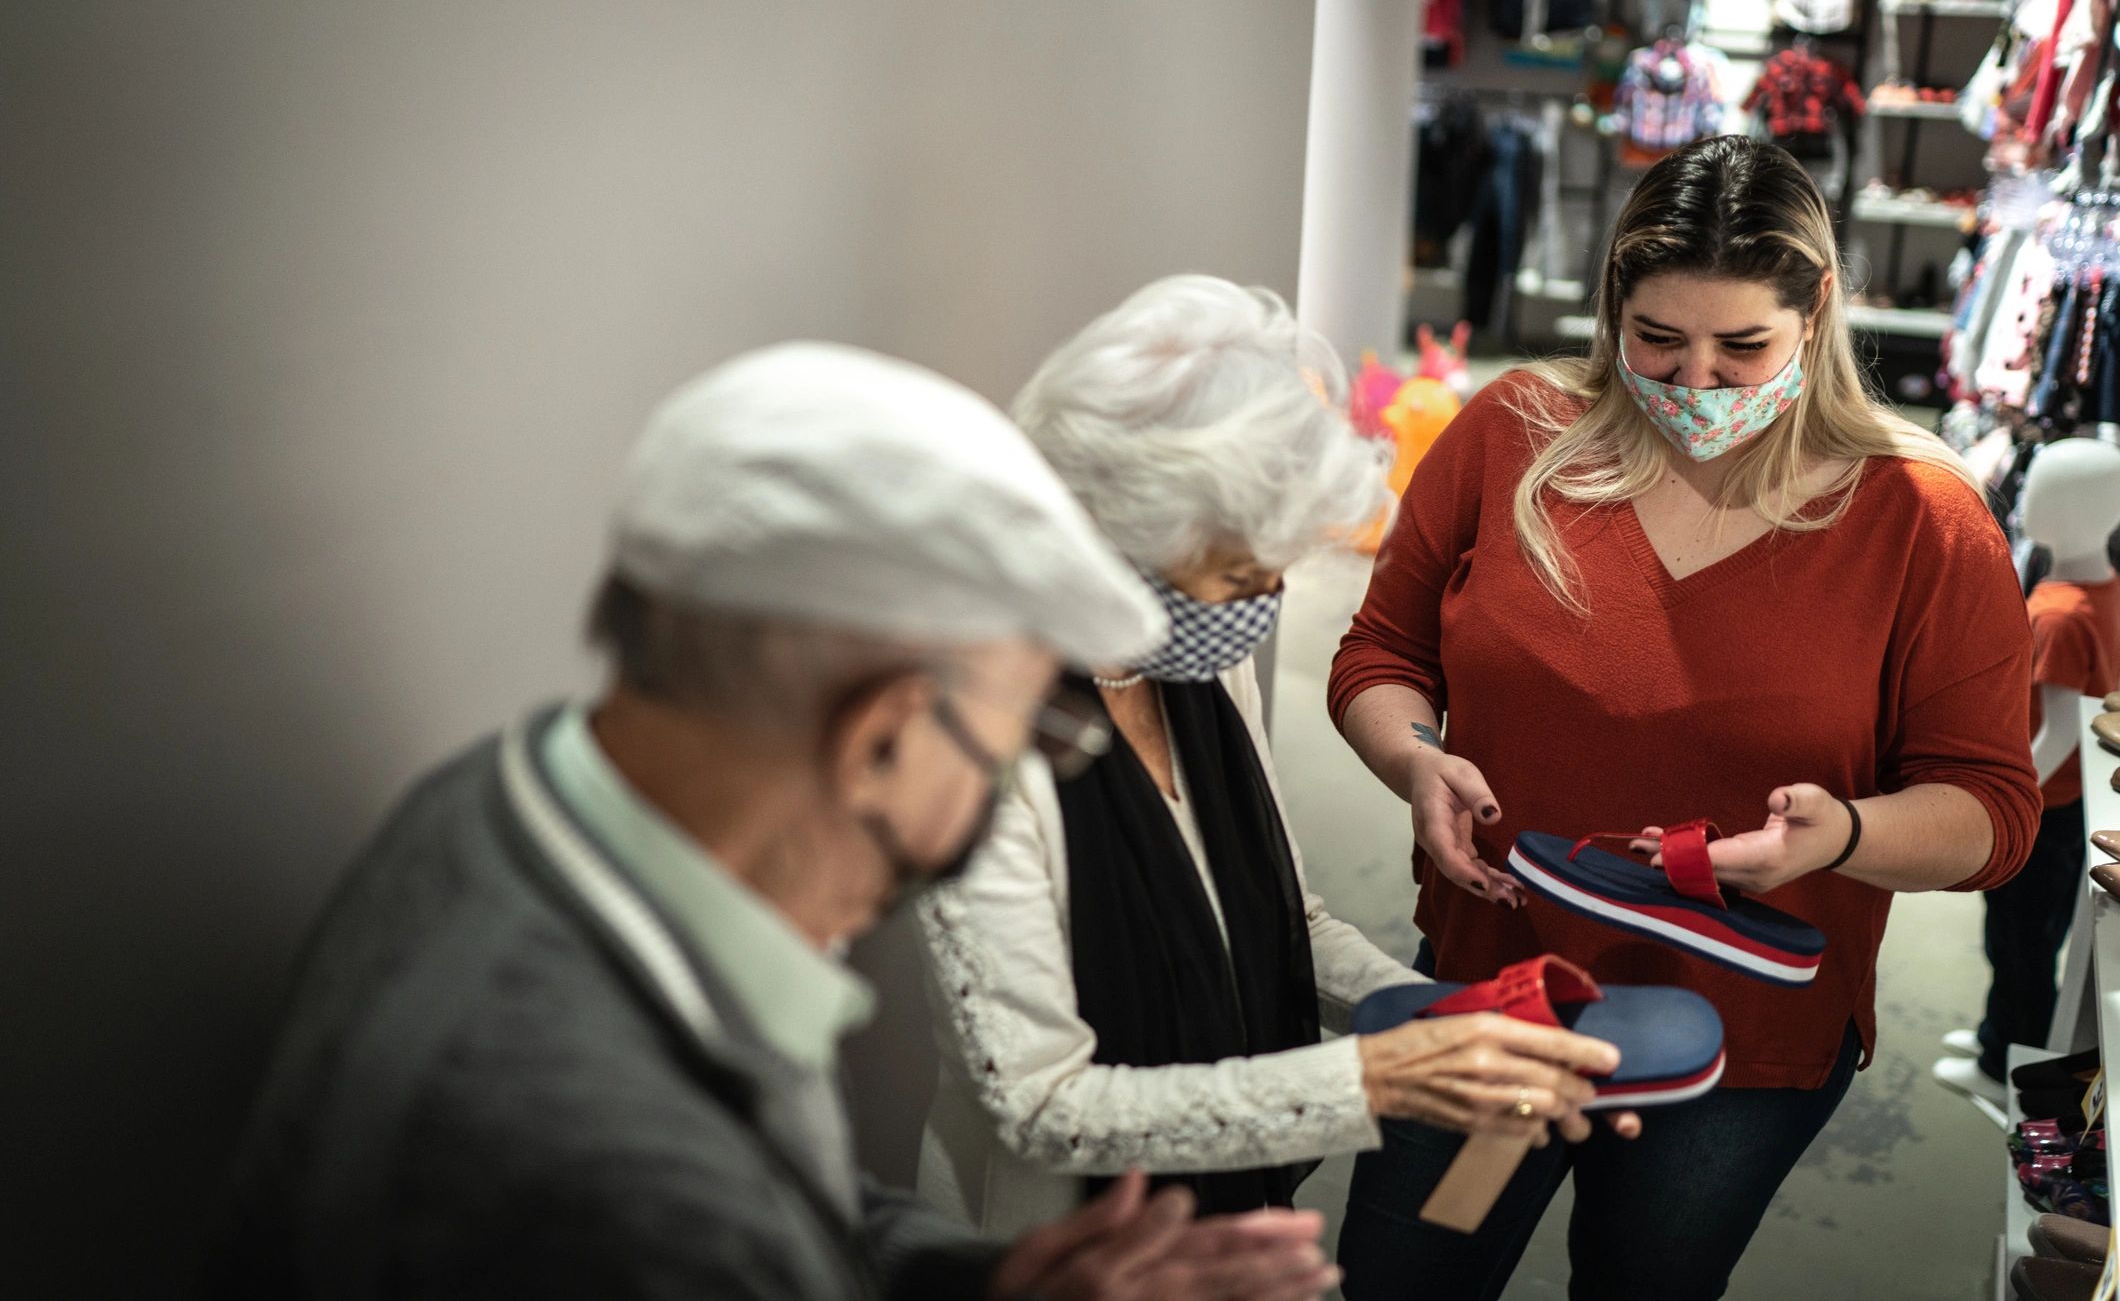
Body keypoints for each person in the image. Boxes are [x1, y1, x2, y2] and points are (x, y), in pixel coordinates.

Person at [204, 342, 1344, 1301]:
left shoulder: (487, 807)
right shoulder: (627, 1196)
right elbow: (714, 1216)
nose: (1005, 790)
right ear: (881, 740)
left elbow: (782, 1189)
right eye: (1011, 747)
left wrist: (991, 1281)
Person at [1328, 137, 2041, 1300]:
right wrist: (1412, 758)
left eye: (1739, 346)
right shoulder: (1515, 430)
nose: (1695, 382)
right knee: (1404, 1276)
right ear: (1613, 303)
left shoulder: (1922, 521)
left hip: (1740, 1039)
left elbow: (1991, 811)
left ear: (1813, 314)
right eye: (1656, 339)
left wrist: (1844, 836)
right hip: (1496, 983)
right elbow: (1381, 653)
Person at [915, 275, 1634, 1241]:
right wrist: (1374, 1078)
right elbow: (1039, 1105)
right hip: (1067, 1245)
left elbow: (1288, 921)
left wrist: (1449, 1026)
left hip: (1232, 1212)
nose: (1264, 603)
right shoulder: (980, 746)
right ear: (1113, 539)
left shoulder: (1196, 667)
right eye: (1240, 574)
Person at [1937, 438, 2120, 1102]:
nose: (2026, 498)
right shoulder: (2103, 589)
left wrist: (2003, 801)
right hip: (2068, 807)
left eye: (2043, 488)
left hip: (2043, 808)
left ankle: (2000, 1067)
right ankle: (2000, 1036)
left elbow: (2061, 730)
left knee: (2017, 941)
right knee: (2030, 938)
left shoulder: (2057, 611)